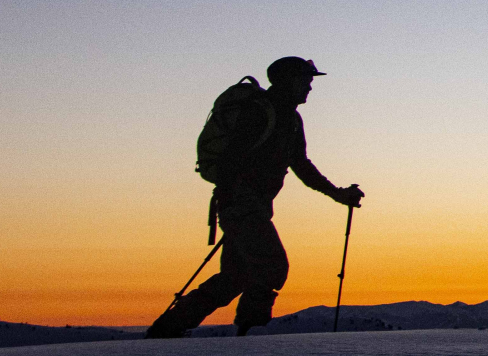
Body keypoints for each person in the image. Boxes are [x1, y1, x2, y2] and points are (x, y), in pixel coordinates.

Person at [145, 57, 363, 337]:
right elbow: (232, 160)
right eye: (306, 80)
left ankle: (167, 329)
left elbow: (301, 166)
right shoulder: (259, 112)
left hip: (248, 205)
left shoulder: (291, 119)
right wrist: (235, 205)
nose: (310, 87)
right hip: (242, 204)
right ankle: (252, 336)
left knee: (235, 277)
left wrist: (339, 195)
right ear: (288, 81)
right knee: (272, 266)